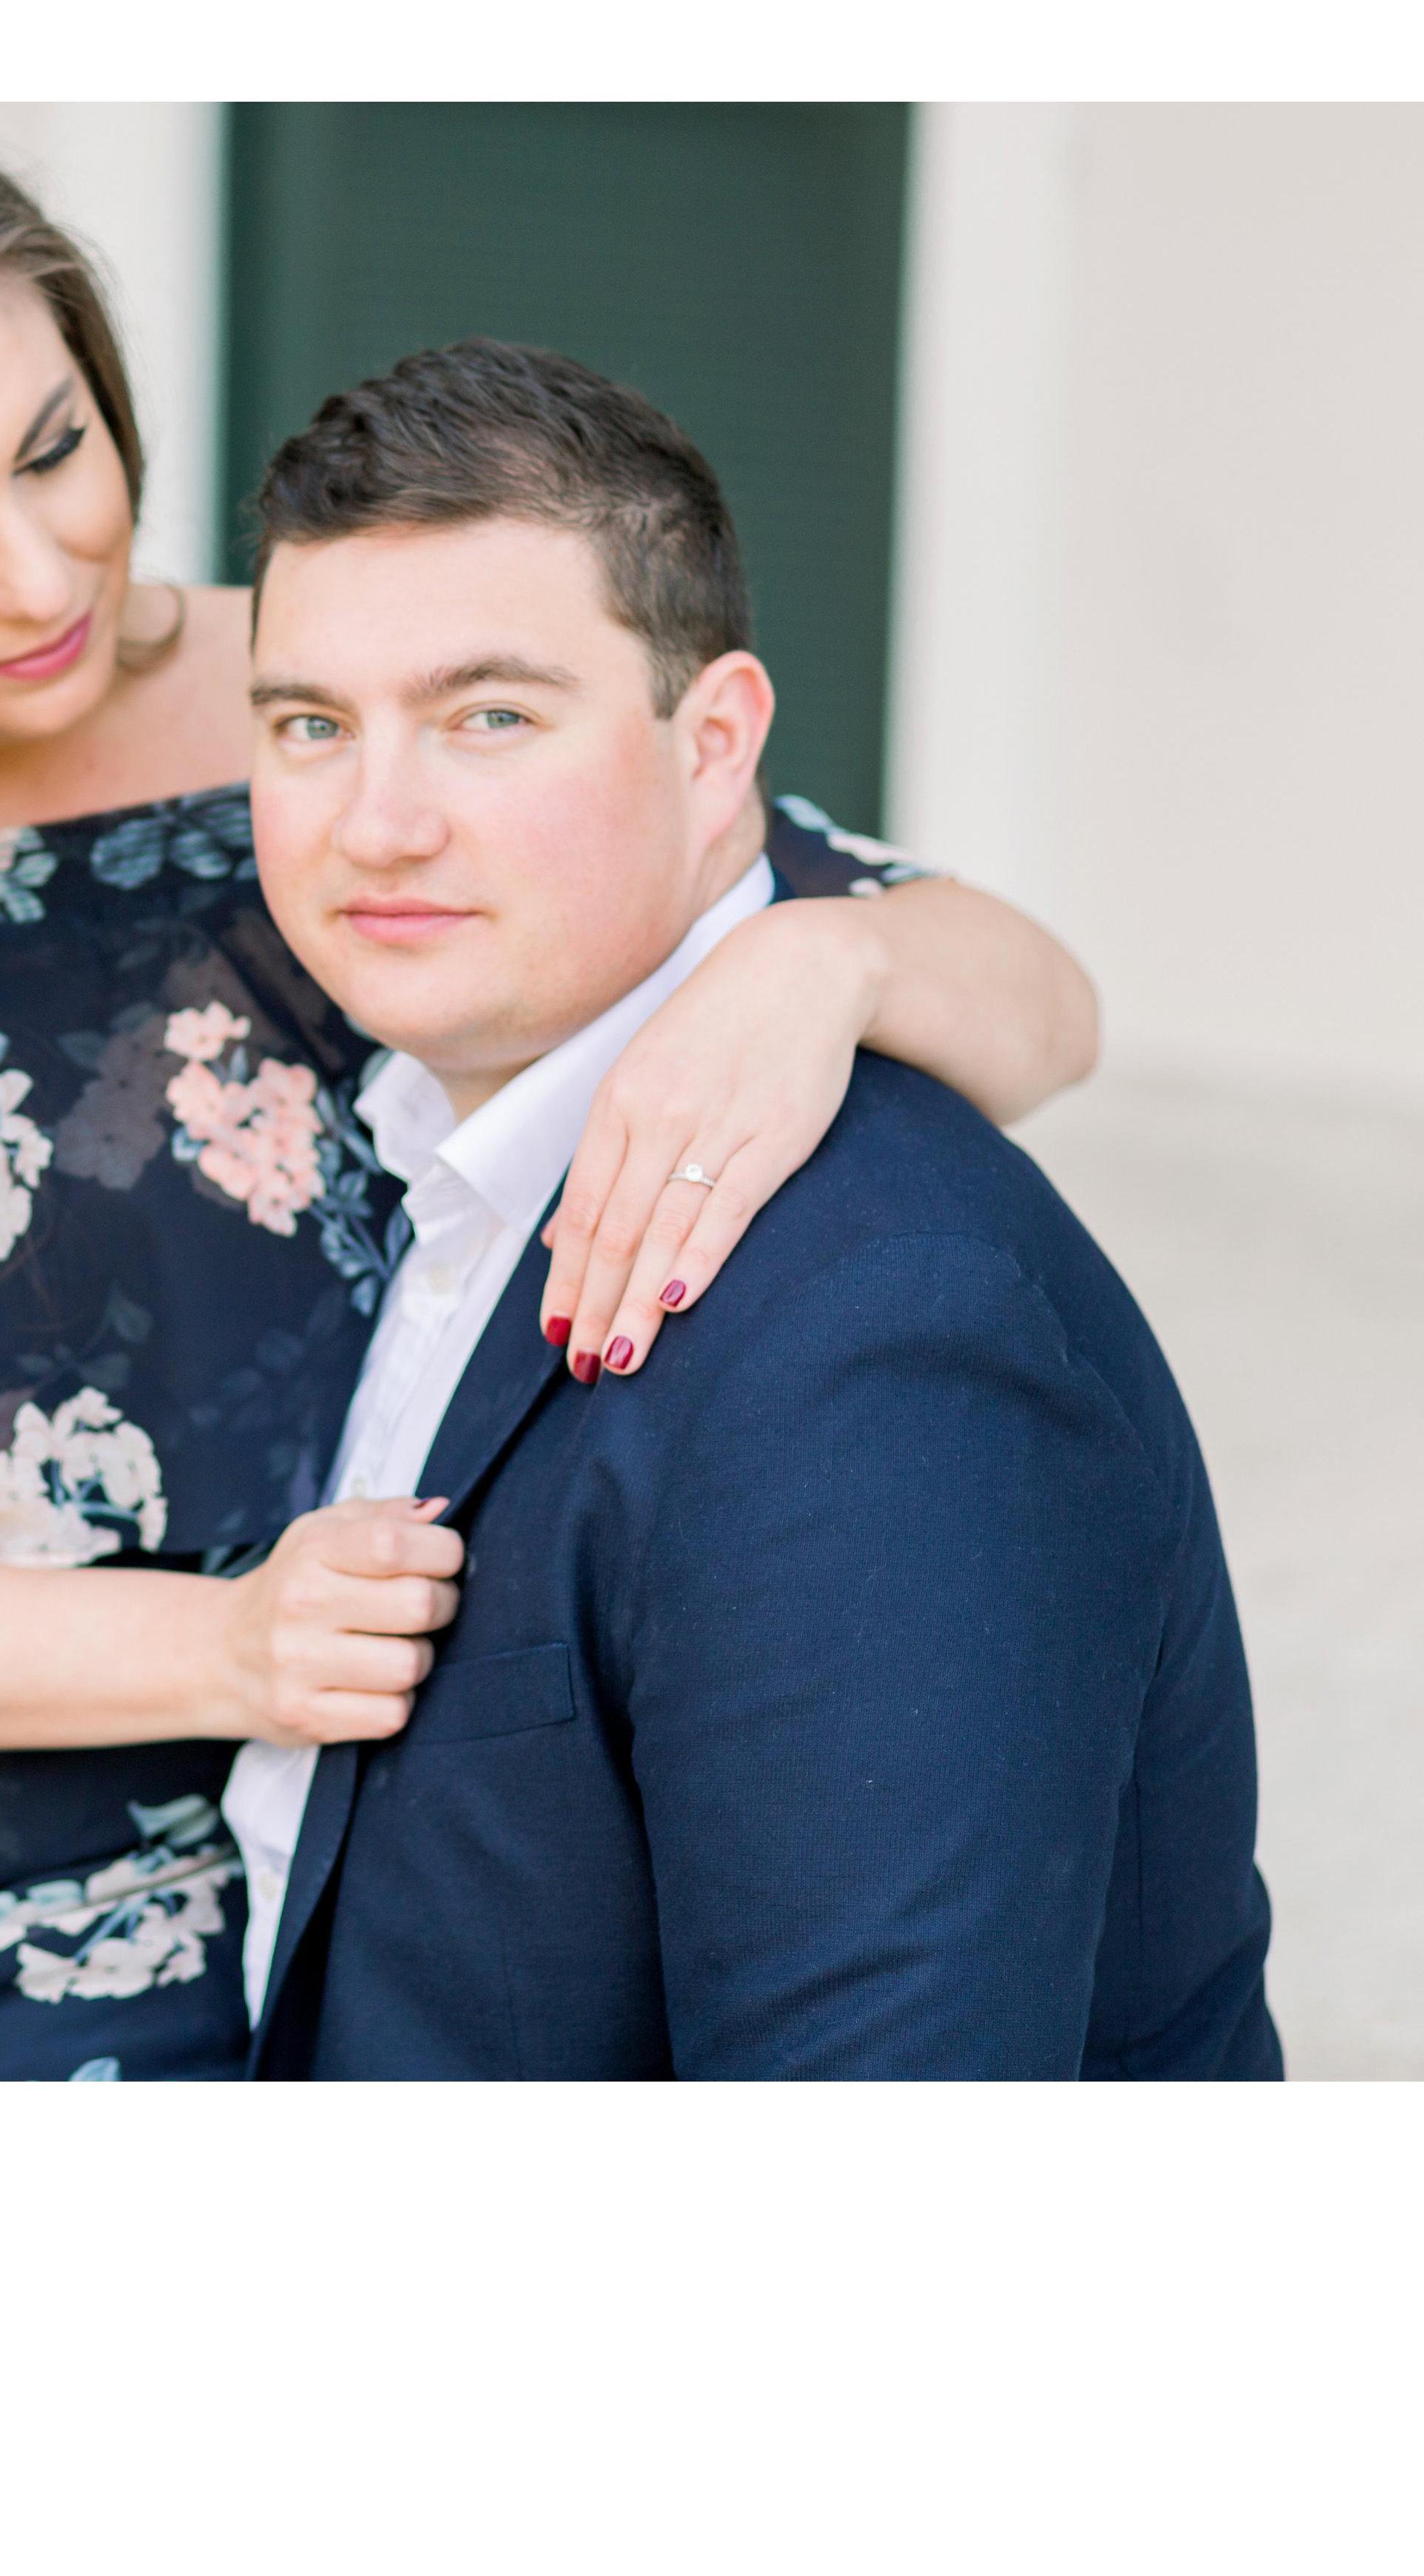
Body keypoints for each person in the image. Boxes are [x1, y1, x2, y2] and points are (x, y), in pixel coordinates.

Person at [0, 106, 1100, 2082]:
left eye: (54, 450)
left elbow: (1043, 1008)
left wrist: (822, 964)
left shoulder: (318, 717)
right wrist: (230, 1644)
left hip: (169, 1868)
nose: (37, 573)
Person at [235, 339, 1278, 2079]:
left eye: (489, 717)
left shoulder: (879, 1332)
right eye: (310, 727)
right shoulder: (442, 1127)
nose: (377, 821)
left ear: (713, 742)